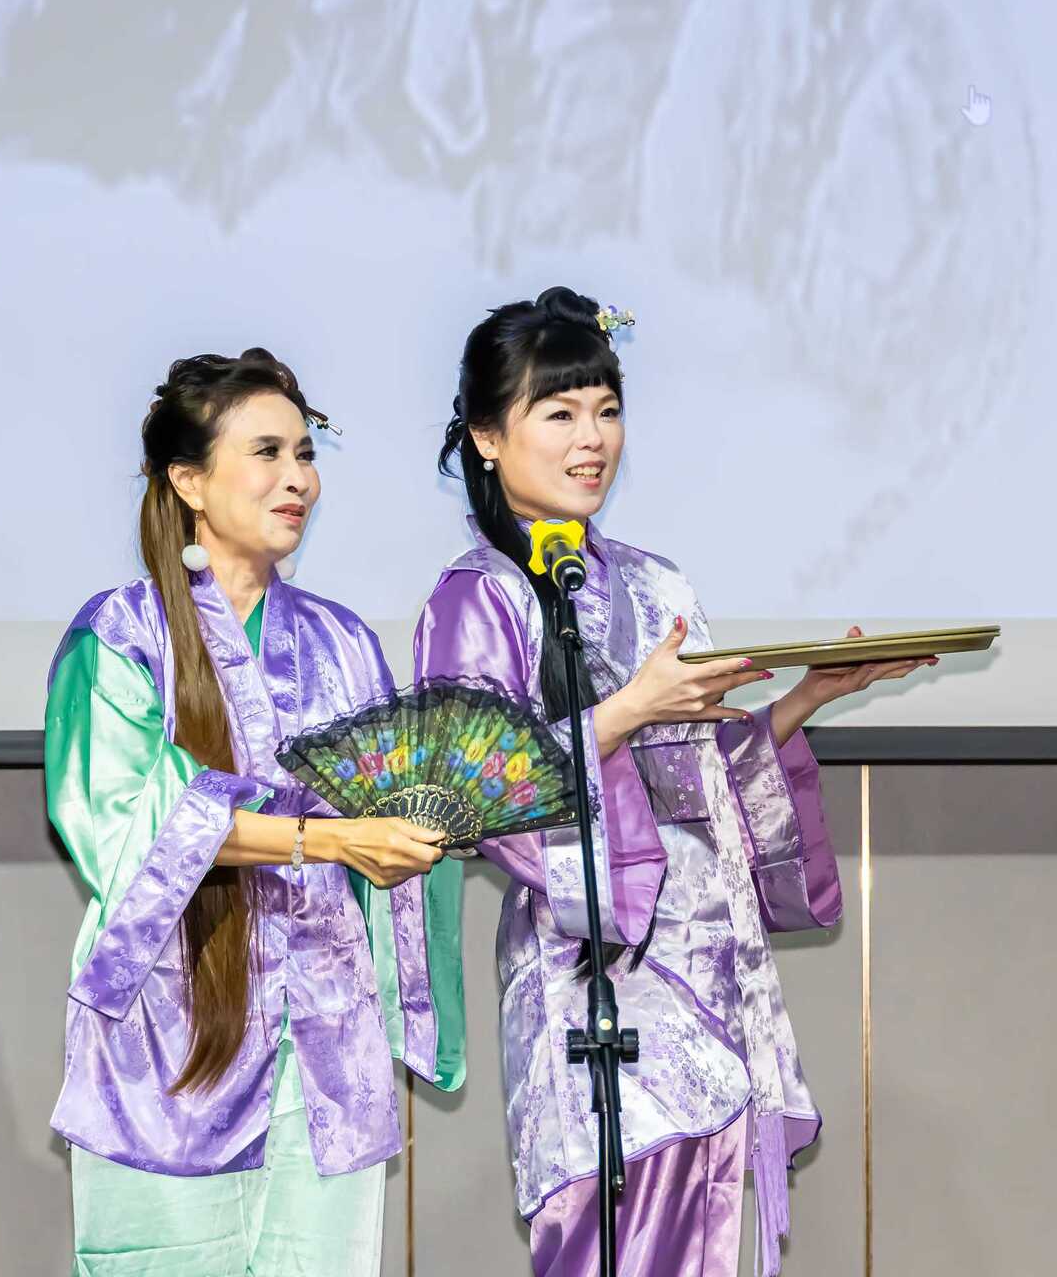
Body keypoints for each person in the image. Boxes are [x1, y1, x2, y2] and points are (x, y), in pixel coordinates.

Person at [413, 287, 932, 1276]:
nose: (592, 438)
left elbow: (701, 782)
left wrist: (806, 697)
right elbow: (471, 795)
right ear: (486, 436)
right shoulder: (476, 599)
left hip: (703, 970)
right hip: (588, 981)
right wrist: (625, 710)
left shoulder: (658, 585)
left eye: (606, 409)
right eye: (559, 413)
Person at [46, 349, 463, 1276]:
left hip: (326, 1043)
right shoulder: (120, 634)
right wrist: (328, 840)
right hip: (171, 1037)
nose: (297, 478)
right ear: (188, 481)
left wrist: (429, 828)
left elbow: (393, 805)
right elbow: (128, 827)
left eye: (305, 454)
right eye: (267, 453)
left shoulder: (343, 641)